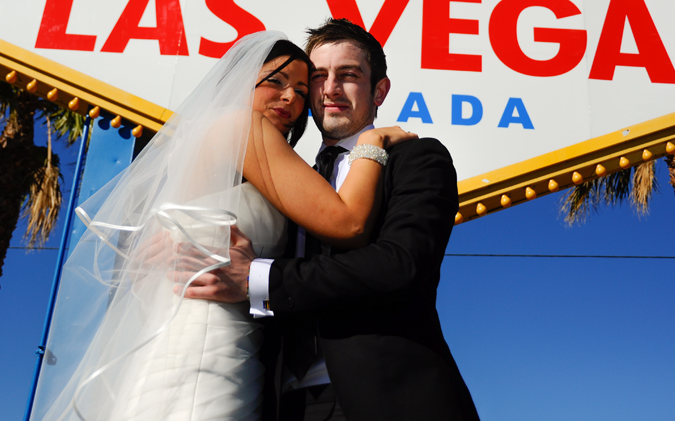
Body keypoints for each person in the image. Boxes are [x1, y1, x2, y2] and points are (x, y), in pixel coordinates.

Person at [30, 31, 414, 421]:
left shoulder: (240, 151)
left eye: (300, 89)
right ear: (239, 79)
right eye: (275, 81)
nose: (291, 99)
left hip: (234, 346)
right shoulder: (239, 126)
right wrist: (374, 140)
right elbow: (346, 222)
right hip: (203, 347)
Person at [191, 19, 481, 421]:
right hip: (277, 403)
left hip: (389, 399)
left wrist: (258, 278)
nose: (330, 89)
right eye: (319, 76)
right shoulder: (288, 182)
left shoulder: (417, 157)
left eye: (348, 75)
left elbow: (400, 265)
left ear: (379, 90)